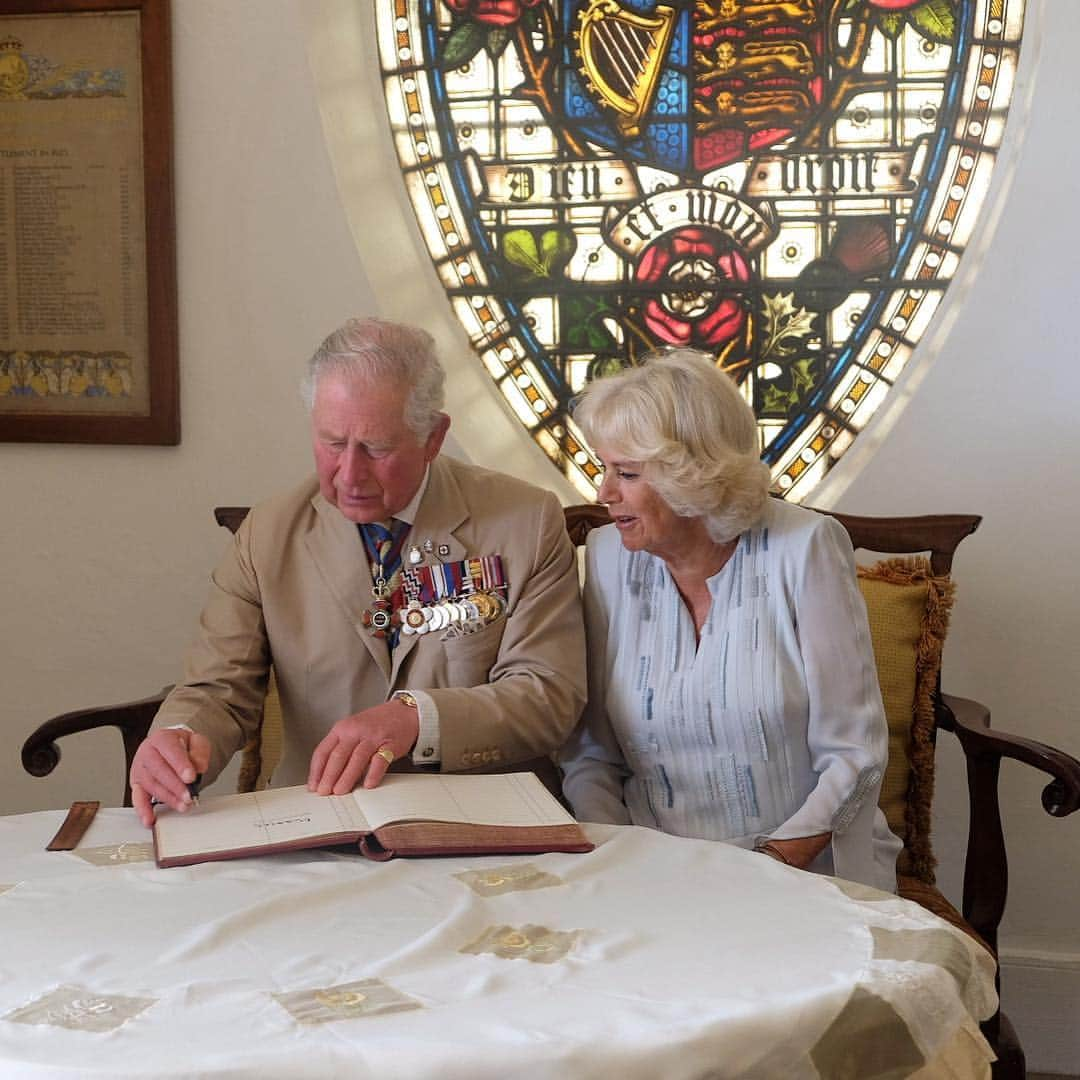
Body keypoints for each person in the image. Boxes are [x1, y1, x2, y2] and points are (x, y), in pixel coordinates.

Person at [131, 317, 586, 826]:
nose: (349, 474)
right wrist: (178, 737)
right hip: (318, 820)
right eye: (331, 443)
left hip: (479, 826)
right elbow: (217, 690)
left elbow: (547, 695)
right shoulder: (267, 534)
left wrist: (418, 718)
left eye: (376, 449)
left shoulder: (524, 520)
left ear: (433, 437)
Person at [559, 349, 900, 890]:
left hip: (804, 871)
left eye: (625, 473)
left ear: (689, 476)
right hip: (650, 874)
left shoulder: (805, 547)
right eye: (605, 469)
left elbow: (854, 755)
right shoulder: (607, 556)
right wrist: (623, 858)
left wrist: (771, 865)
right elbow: (591, 755)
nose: (604, 493)